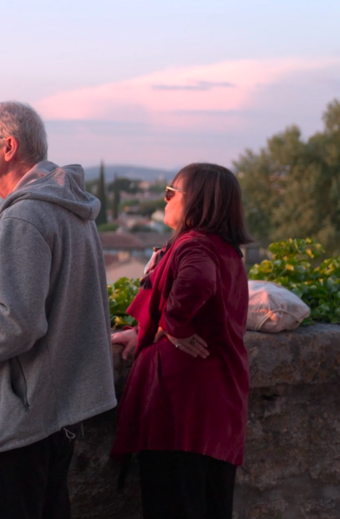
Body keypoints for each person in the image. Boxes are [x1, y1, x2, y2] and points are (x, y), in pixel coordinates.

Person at [0, 101, 117, 518]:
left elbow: (19, 324)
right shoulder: (71, 210)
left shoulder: (25, 217)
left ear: (8, 146)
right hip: (60, 410)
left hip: (21, 422)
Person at [110, 163, 251, 518]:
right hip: (213, 406)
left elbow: (197, 282)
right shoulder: (226, 250)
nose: (165, 199)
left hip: (181, 411)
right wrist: (145, 330)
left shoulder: (195, 245)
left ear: (197, 202)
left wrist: (175, 326)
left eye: (171, 192)